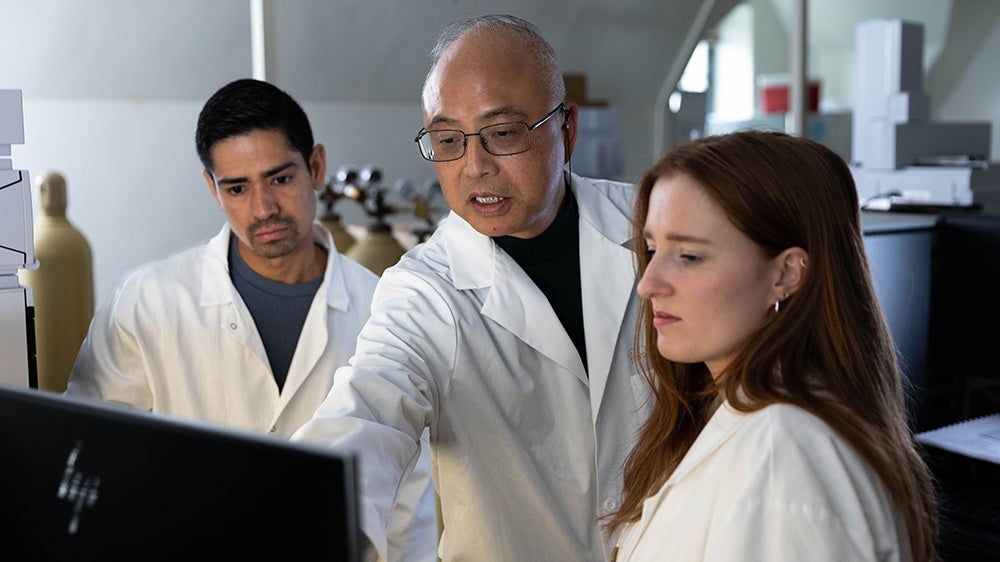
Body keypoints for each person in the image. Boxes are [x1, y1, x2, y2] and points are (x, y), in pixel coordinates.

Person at [293, 14, 647, 561]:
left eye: (502, 134)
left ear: (566, 129)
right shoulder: (425, 290)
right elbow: (368, 408)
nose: (474, 167)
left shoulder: (652, 229)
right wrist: (305, 517)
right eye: (448, 140)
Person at [65, 78, 438, 561]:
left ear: (317, 167)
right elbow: (90, 457)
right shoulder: (147, 302)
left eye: (280, 179)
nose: (263, 209)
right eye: (237, 188)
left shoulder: (382, 310)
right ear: (213, 190)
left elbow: (409, 500)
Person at [606, 130, 939, 561]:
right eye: (652, 249)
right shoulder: (729, 420)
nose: (648, 284)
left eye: (689, 256)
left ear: (786, 274)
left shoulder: (785, 457)